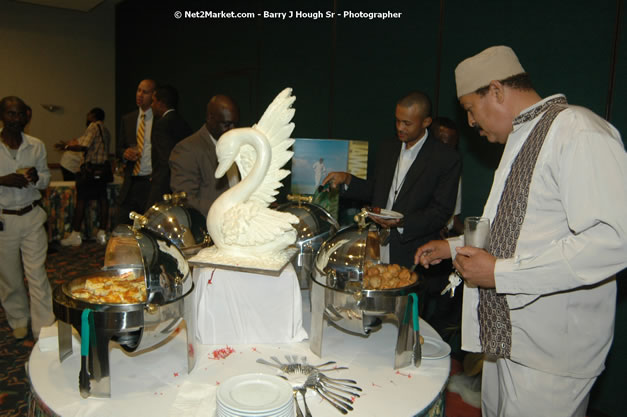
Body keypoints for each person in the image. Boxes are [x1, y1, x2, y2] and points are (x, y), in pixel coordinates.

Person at [415, 46, 627, 417]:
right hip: (507, 344)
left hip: (550, 357)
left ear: (496, 91)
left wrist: (499, 273)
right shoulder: (524, 136)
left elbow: (612, 240)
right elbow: (518, 230)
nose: (469, 122)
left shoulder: (578, 130)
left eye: (469, 108)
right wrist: (454, 247)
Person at [322, 91, 461, 268]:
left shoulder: (445, 158)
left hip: (414, 253)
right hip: (376, 246)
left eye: (407, 123)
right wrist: (348, 180)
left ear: (426, 122)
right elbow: (376, 190)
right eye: (397, 121)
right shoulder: (388, 147)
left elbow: (440, 212)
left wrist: (402, 223)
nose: (400, 128)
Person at [0, 96, 55, 340]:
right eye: (10, 114)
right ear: (2, 116)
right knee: (10, 276)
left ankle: (44, 325)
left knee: (37, 273)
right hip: (4, 220)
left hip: (32, 215)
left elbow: (45, 179)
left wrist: (36, 177)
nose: (16, 119)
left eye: (20, 114)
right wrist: (3, 180)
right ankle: (19, 318)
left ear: (27, 116)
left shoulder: (36, 145)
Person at [169, 95, 240, 218]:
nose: (232, 130)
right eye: (227, 124)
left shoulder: (236, 143)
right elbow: (186, 199)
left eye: (235, 124)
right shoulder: (187, 149)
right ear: (210, 118)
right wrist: (228, 212)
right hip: (211, 226)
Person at [57, 108, 111, 246]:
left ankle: (75, 234)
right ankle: (102, 232)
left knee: (81, 200)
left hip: (90, 170)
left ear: (92, 115)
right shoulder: (106, 130)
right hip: (103, 170)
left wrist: (67, 146)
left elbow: (84, 146)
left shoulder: (93, 126)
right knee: (103, 200)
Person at [115, 78, 156, 226]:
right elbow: (119, 148)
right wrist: (124, 153)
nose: (140, 94)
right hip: (131, 181)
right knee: (122, 225)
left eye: (145, 92)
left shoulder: (159, 120)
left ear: (153, 95)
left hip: (150, 182)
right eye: (138, 90)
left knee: (147, 227)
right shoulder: (128, 119)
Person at [146, 85, 192, 208]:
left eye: (153, 101)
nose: (151, 105)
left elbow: (165, 159)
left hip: (164, 184)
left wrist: (157, 183)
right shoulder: (183, 122)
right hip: (183, 182)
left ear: (161, 103)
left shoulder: (161, 125)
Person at [431, 117, 463, 237]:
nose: (449, 153)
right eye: (444, 146)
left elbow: (453, 219)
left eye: (452, 148)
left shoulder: (453, 169)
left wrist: (471, 238)